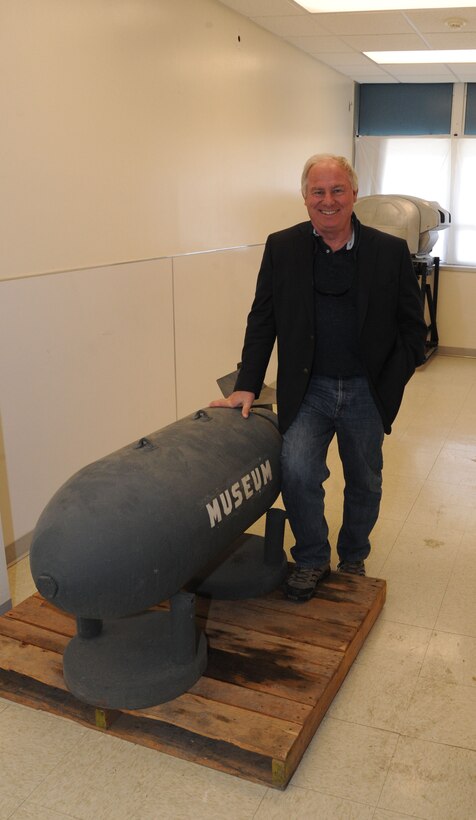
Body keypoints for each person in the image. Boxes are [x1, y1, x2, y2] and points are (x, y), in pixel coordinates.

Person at [210, 154, 426, 601]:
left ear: (354, 194)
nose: (328, 201)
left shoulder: (388, 252)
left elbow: (412, 327)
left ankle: (352, 557)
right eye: (318, 192)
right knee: (299, 472)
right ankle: (310, 558)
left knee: (365, 479)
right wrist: (246, 384)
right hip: (307, 390)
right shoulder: (282, 246)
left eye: (337, 190)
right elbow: (263, 317)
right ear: (305, 197)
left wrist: (391, 378)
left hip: (366, 390)